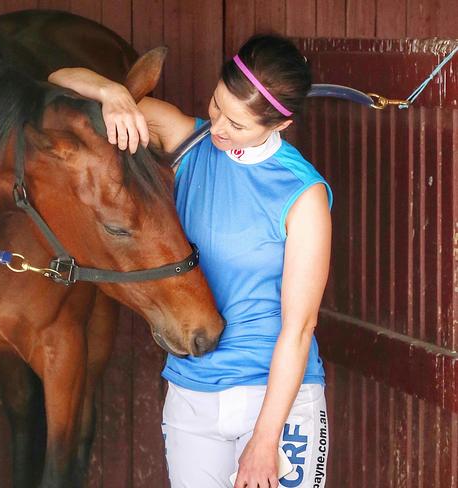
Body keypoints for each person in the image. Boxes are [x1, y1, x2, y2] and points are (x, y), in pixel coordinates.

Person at [49, 34, 331, 488]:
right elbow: (58, 81)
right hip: (191, 390)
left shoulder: (303, 195)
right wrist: (113, 93)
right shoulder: (188, 140)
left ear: (280, 126)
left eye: (237, 125)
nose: (218, 127)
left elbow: (298, 330)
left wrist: (264, 441)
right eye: (217, 106)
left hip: (275, 400)